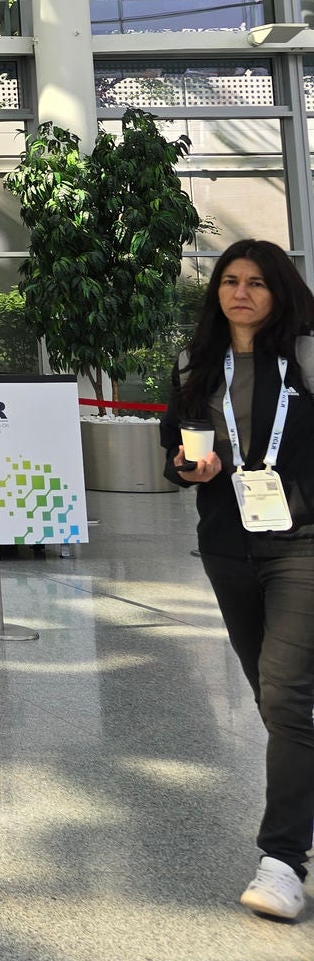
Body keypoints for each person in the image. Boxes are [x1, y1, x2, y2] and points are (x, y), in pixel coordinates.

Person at [165, 238, 314, 921]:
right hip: (228, 546)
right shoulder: (195, 363)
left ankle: (282, 861)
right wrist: (188, 467)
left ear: (279, 291)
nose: (241, 293)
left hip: (302, 543)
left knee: (285, 695)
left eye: (256, 281)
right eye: (229, 280)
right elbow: (175, 447)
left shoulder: (306, 359)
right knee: (275, 699)